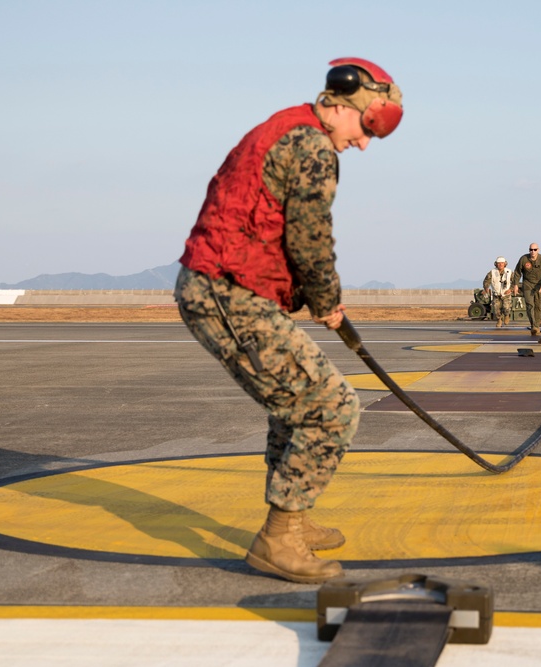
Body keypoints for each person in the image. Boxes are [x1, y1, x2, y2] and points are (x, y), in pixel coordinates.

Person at [173, 57, 403, 584]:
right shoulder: (313, 146)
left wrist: (312, 295)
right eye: (371, 127)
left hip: (228, 286)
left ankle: (294, 520)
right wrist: (326, 301)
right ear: (345, 103)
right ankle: (278, 538)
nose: (365, 144)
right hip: (225, 291)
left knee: (294, 403)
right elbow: (309, 238)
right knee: (331, 406)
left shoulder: (288, 127)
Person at [512, 243, 541, 336]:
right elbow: (517, 273)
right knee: (530, 305)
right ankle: (534, 326)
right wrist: (515, 284)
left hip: (539, 286)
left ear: (538, 250)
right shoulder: (523, 259)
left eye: (535, 250)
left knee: (538, 306)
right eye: (531, 250)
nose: (533, 251)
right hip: (527, 285)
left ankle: (537, 325)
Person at [482, 256, 514, 327]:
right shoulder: (492, 272)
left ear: (505, 264)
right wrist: (486, 287)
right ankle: (499, 320)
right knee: (496, 309)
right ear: (496, 264)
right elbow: (486, 281)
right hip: (496, 294)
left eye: (502, 263)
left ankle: (506, 316)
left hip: (506, 294)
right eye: (499, 263)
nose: (500, 265)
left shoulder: (509, 272)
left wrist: (511, 289)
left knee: (506, 307)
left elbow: (515, 281)